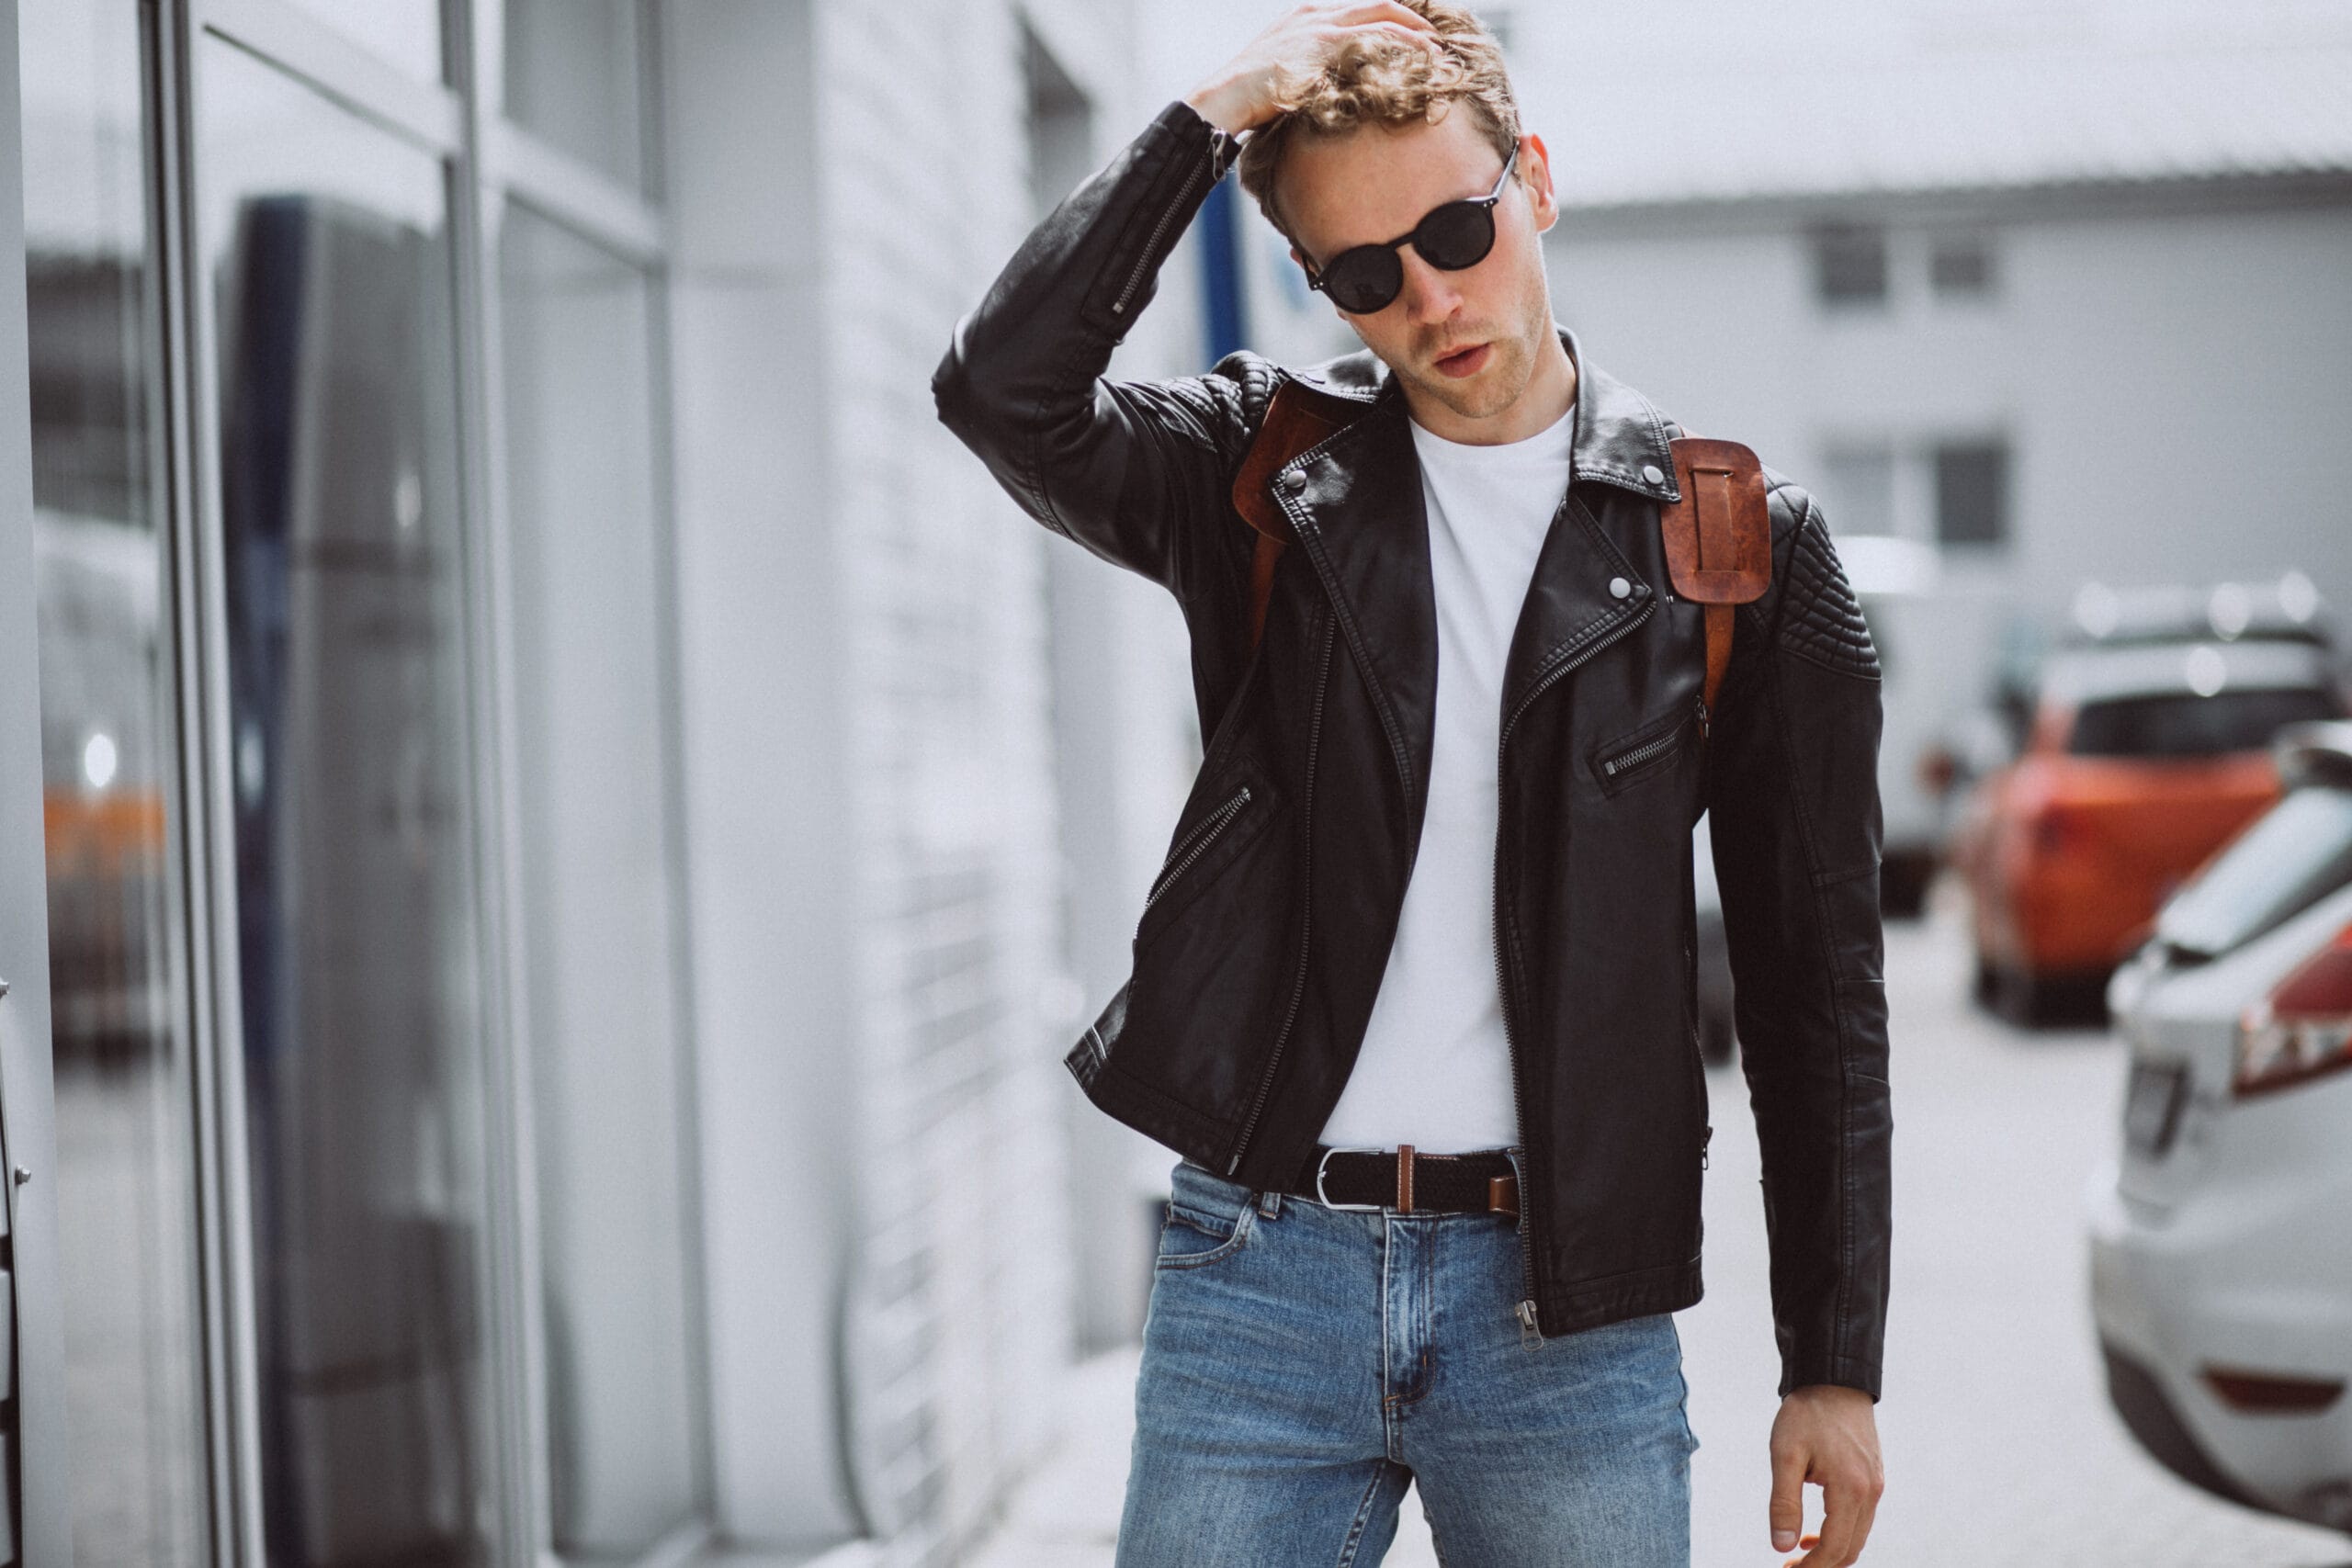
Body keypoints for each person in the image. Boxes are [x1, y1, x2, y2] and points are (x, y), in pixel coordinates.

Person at [933, 4, 1891, 1563]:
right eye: (1366, 273)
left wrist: (1832, 1362)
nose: (1433, 297)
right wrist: (1208, 114)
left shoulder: (1737, 551)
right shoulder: (1262, 471)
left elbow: (1820, 990)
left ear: (1537, 178)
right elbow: (1003, 393)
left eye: (1460, 226)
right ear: (1323, 286)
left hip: (1567, 1315)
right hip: (1259, 1277)